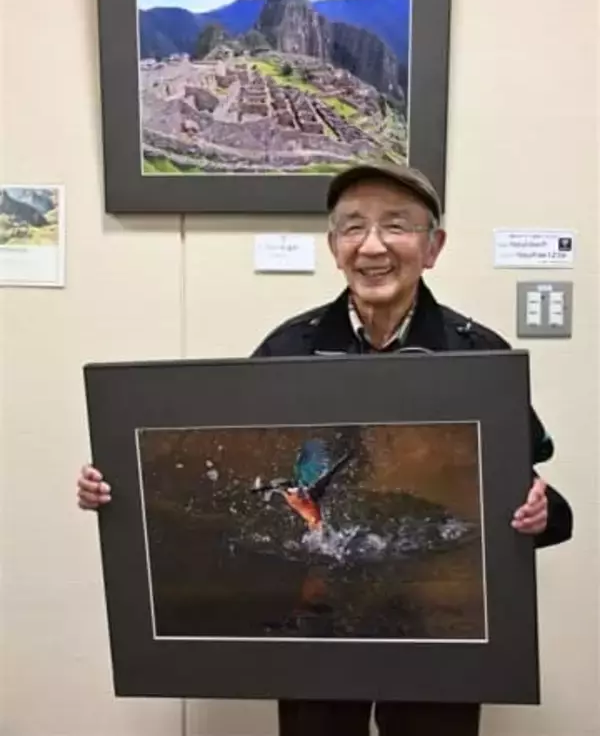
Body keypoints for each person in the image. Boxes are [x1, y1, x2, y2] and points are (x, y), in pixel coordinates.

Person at [77, 161, 573, 736]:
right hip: (317, 617)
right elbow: (235, 472)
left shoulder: (481, 358)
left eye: (396, 225)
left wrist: (539, 512)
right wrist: (120, 484)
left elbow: (542, 503)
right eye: (353, 227)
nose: (373, 246)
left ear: (433, 246)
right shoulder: (288, 349)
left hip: (436, 619)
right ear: (333, 247)